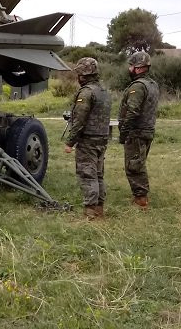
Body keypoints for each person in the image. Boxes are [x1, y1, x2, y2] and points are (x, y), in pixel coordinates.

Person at [64, 57, 112, 218]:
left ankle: (90, 212)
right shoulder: (103, 91)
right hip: (102, 138)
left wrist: (70, 142)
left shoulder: (86, 92)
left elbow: (80, 120)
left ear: (83, 75)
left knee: (87, 174)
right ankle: (99, 209)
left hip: (88, 140)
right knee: (98, 174)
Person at [118, 51, 159, 209]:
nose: (129, 68)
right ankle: (140, 196)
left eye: (131, 65)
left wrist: (124, 132)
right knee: (139, 163)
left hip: (136, 132)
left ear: (139, 68)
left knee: (134, 166)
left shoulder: (138, 86)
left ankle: (141, 200)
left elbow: (132, 112)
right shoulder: (153, 84)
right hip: (148, 130)